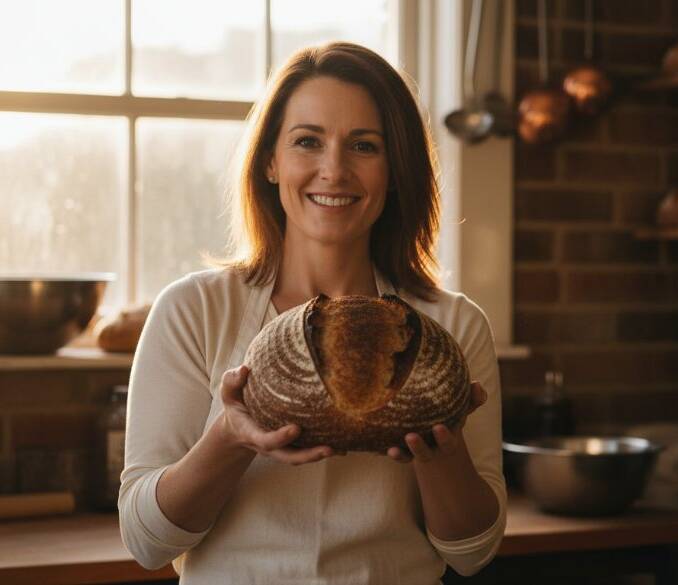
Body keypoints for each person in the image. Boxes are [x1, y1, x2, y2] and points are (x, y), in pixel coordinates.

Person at [118, 42, 507, 585]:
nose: (334, 170)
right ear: (271, 162)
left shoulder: (453, 327)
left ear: (396, 170)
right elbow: (146, 542)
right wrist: (231, 437)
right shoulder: (195, 309)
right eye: (307, 141)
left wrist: (441, 452)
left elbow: (472, 553)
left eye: (364, 146)